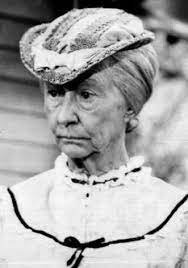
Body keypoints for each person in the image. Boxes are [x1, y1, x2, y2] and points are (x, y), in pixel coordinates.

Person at [0, 8, 188, 268]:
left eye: (86, 95)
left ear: (130, 106)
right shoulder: (11, 209)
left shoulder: (175, 220)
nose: (64, 116)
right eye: (54, 93)